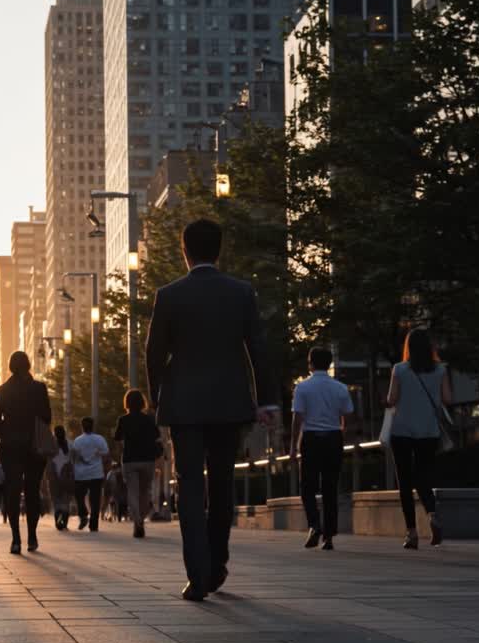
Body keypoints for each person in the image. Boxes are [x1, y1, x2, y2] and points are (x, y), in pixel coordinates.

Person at [145, 219, 277, 602]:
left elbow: (154, 354)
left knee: (189, 486)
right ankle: (217, 562)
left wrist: (157, 398)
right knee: (221, 485)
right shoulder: (241, 293)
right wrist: (266, 399)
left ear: (183, 250)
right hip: (228, 402)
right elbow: (258, 350)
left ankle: (197, 573)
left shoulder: (168, 295)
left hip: (183, 405)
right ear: (219, 250)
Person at [386, 328, 452, 549]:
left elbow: (392, 398)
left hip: (402, 431)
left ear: (408, 347)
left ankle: (412, 533)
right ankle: (432, 515)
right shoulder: (441, 370)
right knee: (423, 476)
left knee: (404, 481)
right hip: (429, 432)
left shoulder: (399, 369)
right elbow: (447, 399)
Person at [0, 351, 53, 554]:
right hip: (34, 446)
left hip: (10, 446)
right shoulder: (39, 388)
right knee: (33, 490)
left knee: (13, 490)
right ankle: (32, 536)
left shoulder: (2, 390)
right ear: (28, 365)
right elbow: (47, 416)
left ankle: (15, 538)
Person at [291, 347, 355, 551]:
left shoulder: (302, 388)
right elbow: (348, 416)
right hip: (333, 438)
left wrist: (293, 446)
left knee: (307, 487)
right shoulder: (340, 388)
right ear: (329, 364)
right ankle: (329, 536)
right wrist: (341, 433)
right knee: (330, 487)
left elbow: (297, 418)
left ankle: (314, 525)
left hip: (310, 439)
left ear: (310, 363)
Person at [114, 389, 162, 539]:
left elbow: (117, 437)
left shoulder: (123, 420)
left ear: (126, 403)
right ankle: (140, 518)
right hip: (147, 460)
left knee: (132, 492)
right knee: (145, 491)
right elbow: (157, 437)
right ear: (142, 402)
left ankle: (137, 521)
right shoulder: (149, 419)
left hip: (130, 460)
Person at [71, 417, 110, 532]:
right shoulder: (99, 439)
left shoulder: (77, 441)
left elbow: (74, 456)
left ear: (82, 427)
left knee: (79, 497)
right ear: (93, 426)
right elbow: (106, 454)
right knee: (95, 499)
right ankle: (94, 524)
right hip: (96, 473)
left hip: (80, 475)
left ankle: (83, 515)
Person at [48, 426, 75, 531]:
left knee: (56, 501)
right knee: (66, 501)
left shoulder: (50, 445)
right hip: (67, 475)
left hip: (53, 475)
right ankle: (64, 523)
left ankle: (57, 521)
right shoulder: (70, 444)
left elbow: (48, 460)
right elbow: (73, 459)